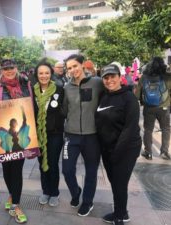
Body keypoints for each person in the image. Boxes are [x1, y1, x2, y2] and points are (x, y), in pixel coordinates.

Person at [95, 64, 142, 225]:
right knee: (115, 182)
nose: (109, 81)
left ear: (119, 77)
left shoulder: (129, 98)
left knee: (120, 183)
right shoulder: (104, 96)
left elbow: (129, 129)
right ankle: (122, 212)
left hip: (126, 149)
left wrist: (116, 152)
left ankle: (120, 217)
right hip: (108, 149)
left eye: (112, 77)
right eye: (106, 78)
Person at [0, 58, 32, 224]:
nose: (9, 71)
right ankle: (13, 195)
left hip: (20, 137)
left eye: (11, 67)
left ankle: (16, 205)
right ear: (1, 70)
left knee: (17, 171)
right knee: (7, 170)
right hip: (5, 138)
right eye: (5, 68)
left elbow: (30, 108)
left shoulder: (26, 85)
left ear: (16, 67)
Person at [62, 54, 103, 217]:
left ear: (82, 65)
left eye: (75, 66)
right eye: (69, 68)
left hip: (92, 135)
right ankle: (75, 191)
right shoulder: (66, 87)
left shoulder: (97, 83)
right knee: (67, 170)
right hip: (71, 135)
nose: (72, 70)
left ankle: (87, 202)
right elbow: (64, 110)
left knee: (91, 172)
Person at [32, 59, 64, 207]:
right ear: (37, 75)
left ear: (51, 74)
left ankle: (54, 192)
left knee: (52, 163)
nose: (44, 76)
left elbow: (64, 111)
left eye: (46, 73)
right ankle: (46, 191)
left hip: (55, 134)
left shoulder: (58, 89)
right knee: (41, 163)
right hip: (38, 134)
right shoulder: (33, 91)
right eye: (41, 73)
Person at [135, 56, 171, 160]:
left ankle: (148, 152)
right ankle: (164, 152)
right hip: (164, 107)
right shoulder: (168, 77)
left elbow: (137, 95)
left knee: (148, 130)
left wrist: (143, 101)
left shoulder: (144, 77)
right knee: (165, 129)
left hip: (148, 108)